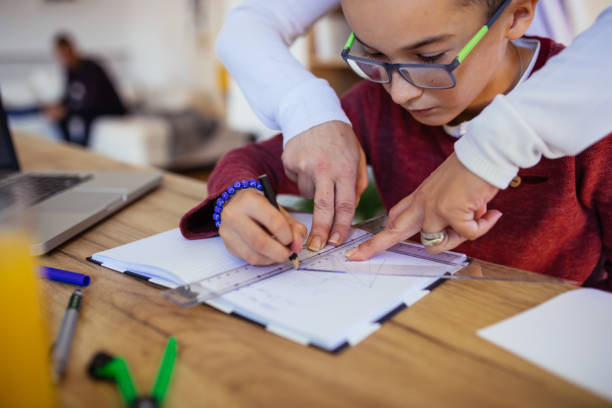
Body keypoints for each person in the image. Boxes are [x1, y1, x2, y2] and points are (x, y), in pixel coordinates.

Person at [181, 0, 612, 287]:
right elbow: (250, 160)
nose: (401, 94)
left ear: (517, 15)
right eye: (374, 55)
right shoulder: (375, 102)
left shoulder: (588, 112)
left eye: (428, 59)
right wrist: (236, 200)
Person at [44, 33, 127, 146]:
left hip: (108, 107)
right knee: (59, 117)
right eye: (61, 55)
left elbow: (93, 99)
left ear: (73, 49)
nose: (65, 58)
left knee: (84, 114)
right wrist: (59, 107)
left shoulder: (91, 67)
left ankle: (84, 148)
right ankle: (68, 146)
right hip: (90, 107)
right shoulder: (69, 70)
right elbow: (69, 96)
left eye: (67, 54)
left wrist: (68, 110)